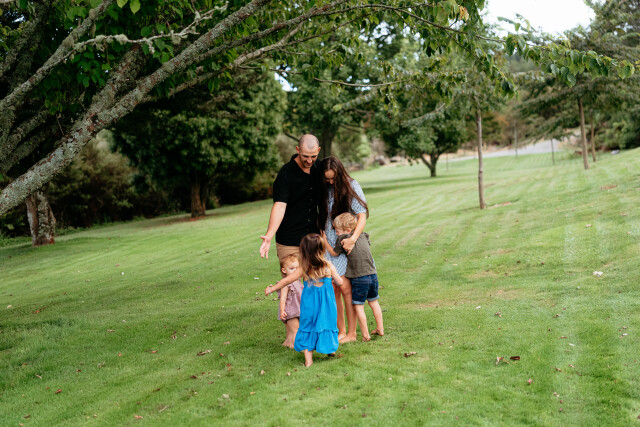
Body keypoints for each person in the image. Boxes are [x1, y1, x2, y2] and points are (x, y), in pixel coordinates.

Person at [267, 233, 343, 367]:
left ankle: (309, 361)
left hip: (309, 305)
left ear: (303, 251)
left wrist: (272, 288)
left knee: (308, 326)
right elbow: (340, 282)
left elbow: (287, 280)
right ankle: (329, 349)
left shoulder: (304, 268)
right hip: (326, 304)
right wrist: (332, 278)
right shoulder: (328, 266)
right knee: (327, 323)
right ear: (322, 250)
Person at [319, 156, 368, 343]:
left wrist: (352, 239)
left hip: (344, 244)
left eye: (333, 178)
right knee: (333, 290)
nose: (330, 182)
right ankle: (341, 331)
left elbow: (361, 216)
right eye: (327, 179)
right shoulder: (324, 189)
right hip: (327, 245)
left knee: (346, 288)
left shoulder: (351, 186)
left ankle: (352, 334)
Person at [323, 213, 384, 341]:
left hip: (359, 278)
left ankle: (365, 335)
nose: (336, 234)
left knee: (358, 306)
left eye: (337, 231)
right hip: (372, 274)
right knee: (374, 302)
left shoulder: (343, 239)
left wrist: (324, 241)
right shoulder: (363, 235)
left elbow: (334, 253)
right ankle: (380, 328)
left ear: (347, 230)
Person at [272, 254, 303, 349]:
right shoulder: (285, 283)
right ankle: (299, 348)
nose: (295, 271)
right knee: (296, 330)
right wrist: (282, 311)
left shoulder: (298, 281)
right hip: (290, 312)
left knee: (296, 329)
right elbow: (282, 299)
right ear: (284, 270)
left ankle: (289, 343)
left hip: (298, 310)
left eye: (297, 268)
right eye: (292, 268)